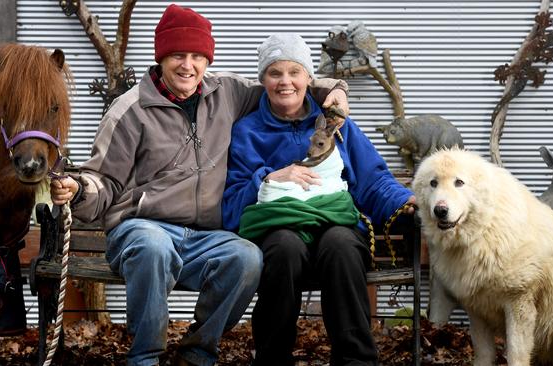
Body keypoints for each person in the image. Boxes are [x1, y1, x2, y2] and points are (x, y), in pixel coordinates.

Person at [50, 4, 350, 366]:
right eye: (177, 55)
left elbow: (282, 84)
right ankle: (145, 357)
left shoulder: (228, 93)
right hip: (142, 228)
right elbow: (104, 178)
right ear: (161, 57)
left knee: (247, 258)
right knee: (154, 247)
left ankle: (197, 352)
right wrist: (79, 189)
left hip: (205, 236)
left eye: (196, 56)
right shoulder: (129, 110)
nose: (187, 66)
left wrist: (333, 88)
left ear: (207, 61)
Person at [221, 33, 416, 366]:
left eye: (294, 72)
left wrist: (405, 202)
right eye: (275, 73)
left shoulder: (338, 124)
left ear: (309, 79)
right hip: (279, 227)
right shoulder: (246, 131)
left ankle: (356, 360)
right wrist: (267, 177)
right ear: (262, 80)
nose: (285, 82)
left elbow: (371, 179)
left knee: (341, 244)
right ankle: (272, 359)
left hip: (334, 224)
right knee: (284, 246)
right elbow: (232, 205)